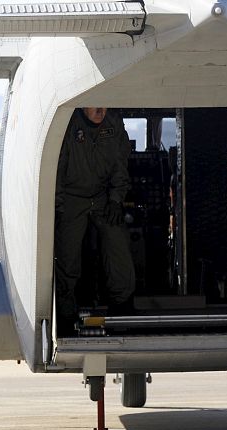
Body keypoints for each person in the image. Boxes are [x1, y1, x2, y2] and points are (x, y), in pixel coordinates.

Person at [54, 107, 134, 333]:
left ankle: (122, 305)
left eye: (104, 105)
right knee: (67, 255)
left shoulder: (113, 123)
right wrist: (58, 207)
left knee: (117, 242)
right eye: (94, 104)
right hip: (71, 198)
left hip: (102, 197)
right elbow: (58, 167)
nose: (100, 110)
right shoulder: (69, 124)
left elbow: (121, 164)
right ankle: (65, 313)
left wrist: (116, 200)